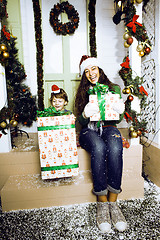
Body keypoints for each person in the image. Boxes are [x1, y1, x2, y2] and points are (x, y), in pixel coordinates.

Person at [75, 55, 127, 233]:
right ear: (84, 75)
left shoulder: (113, 88)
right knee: (99, 147)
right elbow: (79, 122)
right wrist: (85, 114)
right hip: (89, 130)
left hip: (109, 127)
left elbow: (118, 118)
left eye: (93, 69)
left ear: (99, 69)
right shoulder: (83, 92)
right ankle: (102, 204)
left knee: (114, 144)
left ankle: (113, 203)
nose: (91, 73)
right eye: (87, 71)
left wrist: (119, 109)